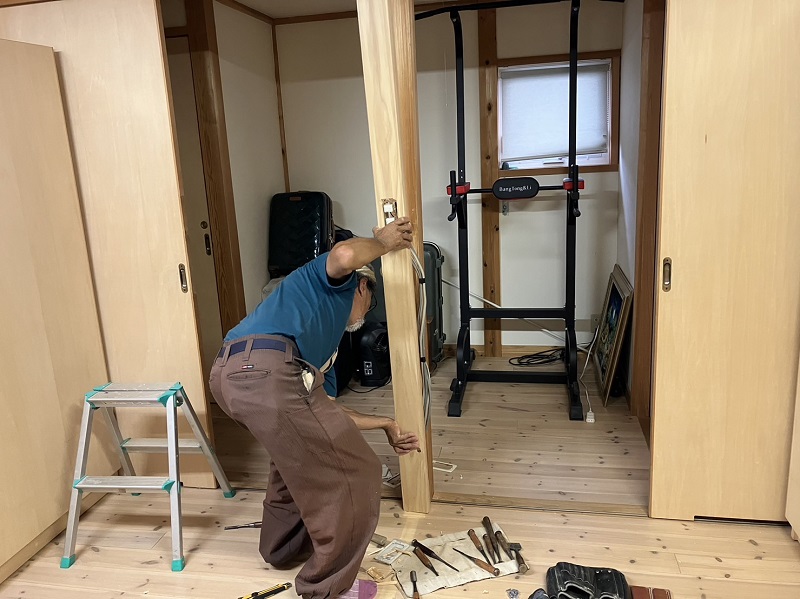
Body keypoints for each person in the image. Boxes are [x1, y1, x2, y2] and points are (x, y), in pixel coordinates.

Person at [209, 217, 421, 599]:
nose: (367, 313)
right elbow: (345, 254)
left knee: (299, 454)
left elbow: (326, 414)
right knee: (359, 471)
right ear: (362, 286)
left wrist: (385, 423)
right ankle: (326, 590)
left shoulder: (323, 351)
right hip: (269, 371)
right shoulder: (332, 282)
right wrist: (384, 243)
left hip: (228, 374)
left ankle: (280, 549)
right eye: (371, 302)